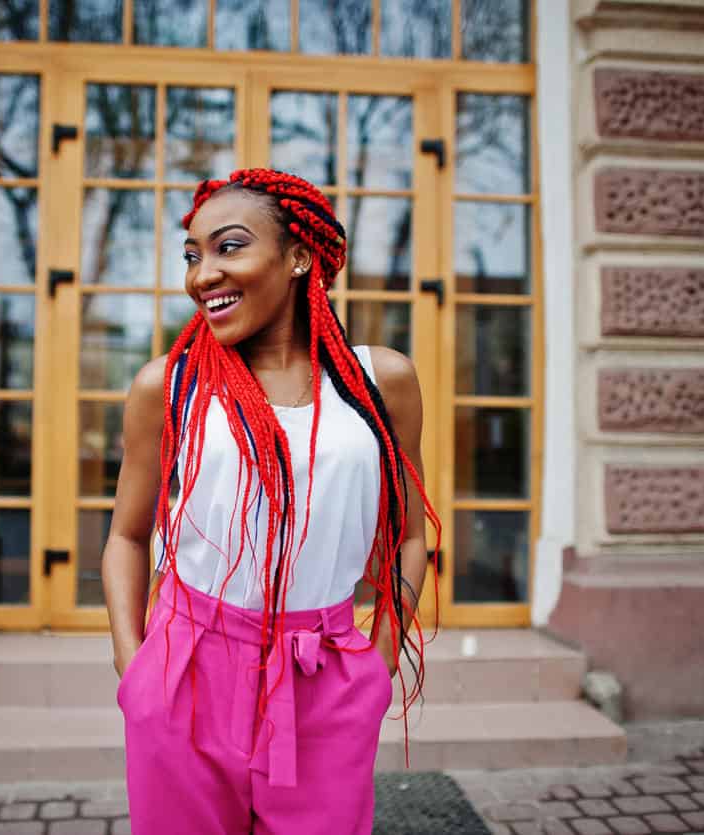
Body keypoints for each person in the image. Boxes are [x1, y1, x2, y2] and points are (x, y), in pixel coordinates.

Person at [101, 168, 439, 835]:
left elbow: (407, 534)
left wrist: (378, 660)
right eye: (193, 256)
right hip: (186, 674)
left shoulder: (381, 383)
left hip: (325, 676)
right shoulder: (168, 386)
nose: (202, 276)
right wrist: (133, 667)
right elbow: (126, 537)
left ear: (298, 257)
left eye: (228, 247)